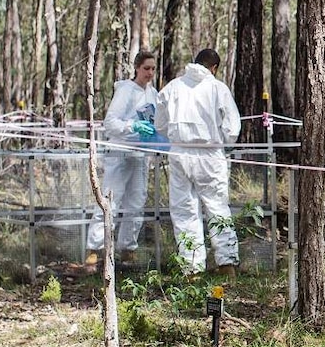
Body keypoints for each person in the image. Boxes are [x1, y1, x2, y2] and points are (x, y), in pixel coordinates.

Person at [155, 48, 241, 278]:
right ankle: (227, 265)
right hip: (210, 154)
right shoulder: (217, 88)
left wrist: (177, 138)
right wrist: (220, 142)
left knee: (184, 211)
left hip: (180, 154)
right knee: (217, 207)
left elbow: (160, 124)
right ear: (214, 68)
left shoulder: (172, 88)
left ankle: (191, 268)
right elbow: (233, 128)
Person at [85, 50, 159, 269]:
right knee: (110, 200)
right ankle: (94, 249)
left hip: (140, 155)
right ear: (136, 68)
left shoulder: (153, 93)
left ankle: (128, 249)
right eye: (146, 68)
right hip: (119, 154)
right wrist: (131, 126)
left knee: (136, 202)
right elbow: (111, 123)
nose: (150, 73)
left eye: (153, 69)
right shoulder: (126, 91)